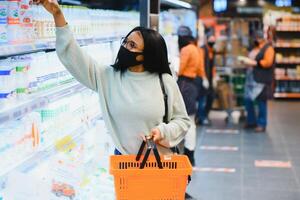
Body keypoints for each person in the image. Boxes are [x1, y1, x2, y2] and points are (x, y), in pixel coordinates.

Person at [34, 0, 191, 155]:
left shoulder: (164, 81)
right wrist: (57, 14)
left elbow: (182, 121)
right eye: (125, 42)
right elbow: (73, 55)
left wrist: (162, 132)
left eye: (132, 46)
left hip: (160, 163)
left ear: (145, 56)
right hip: (123, 163)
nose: (125, 47)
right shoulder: (108, 77)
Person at [242, 30, 275, 133]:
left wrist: (255, 63)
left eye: (257, 38)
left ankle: (262, 124)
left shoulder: (268, 49)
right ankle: (251, 121)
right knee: (248, 100)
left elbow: (268, 63)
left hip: (262, 80)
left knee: (261, 102)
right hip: (251, 79)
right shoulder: (255, 48)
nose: (255, 40)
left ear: (261, 39)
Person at [177, 26, 201, 166]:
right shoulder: (195, 48)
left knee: (185, 121)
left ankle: (187, 154)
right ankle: (190, 153)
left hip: (184, 85)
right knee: (191, 120)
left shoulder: (186, 50)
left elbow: (180, 70)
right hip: (192, 85)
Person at [196, 35, 217, 125]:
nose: (212, 41)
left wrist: (214, 76)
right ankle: (201, 117)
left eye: (213, 40)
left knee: (210, 98)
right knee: (202, 99)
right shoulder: (202, 50)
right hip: (202, 78)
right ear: (206, 40)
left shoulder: (212, 51)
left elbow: (212, 66)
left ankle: (204, 116)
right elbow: (200, 65)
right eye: (210, 39)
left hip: (209, 79)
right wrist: (203, 77)